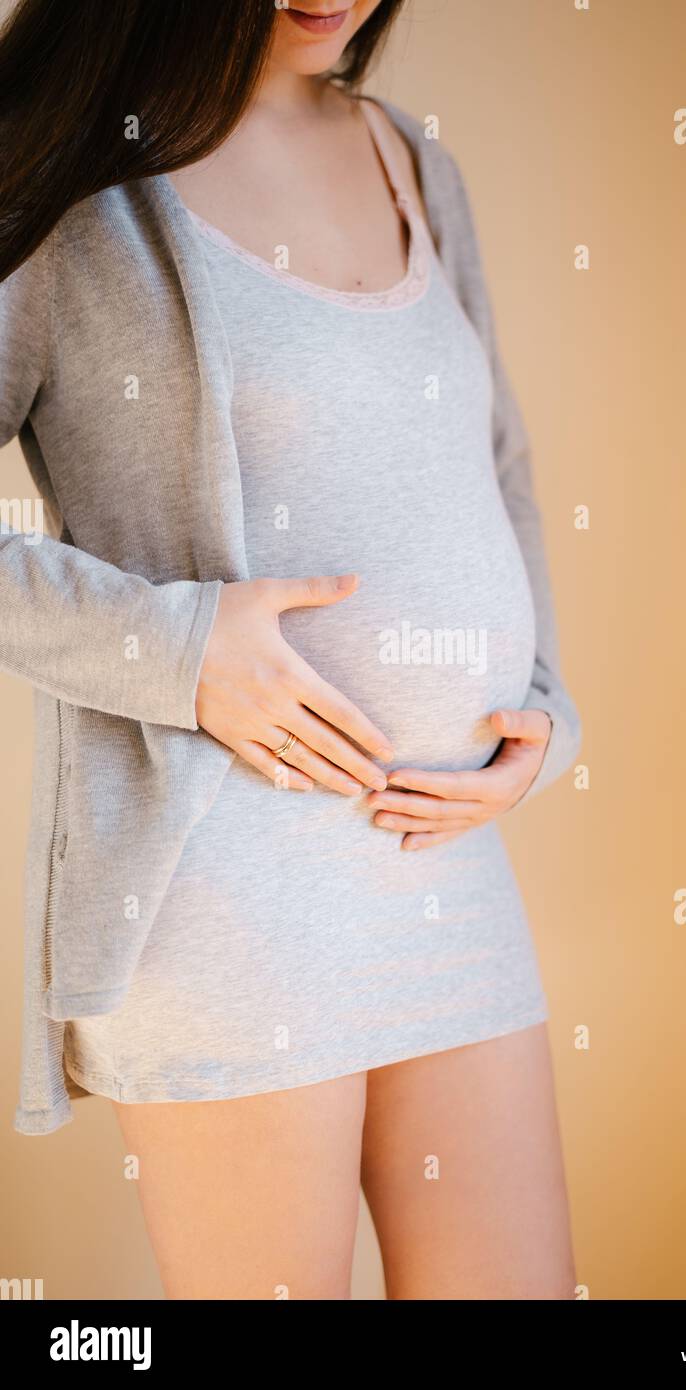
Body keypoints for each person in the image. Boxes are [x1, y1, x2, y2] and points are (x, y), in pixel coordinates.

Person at [0, 0, 582, 1299]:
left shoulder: (409, 158)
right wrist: (183, 647)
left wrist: (543, 709)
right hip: (229, 884)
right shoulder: (78, 183)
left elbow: (495, 464)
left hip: (441, 864)